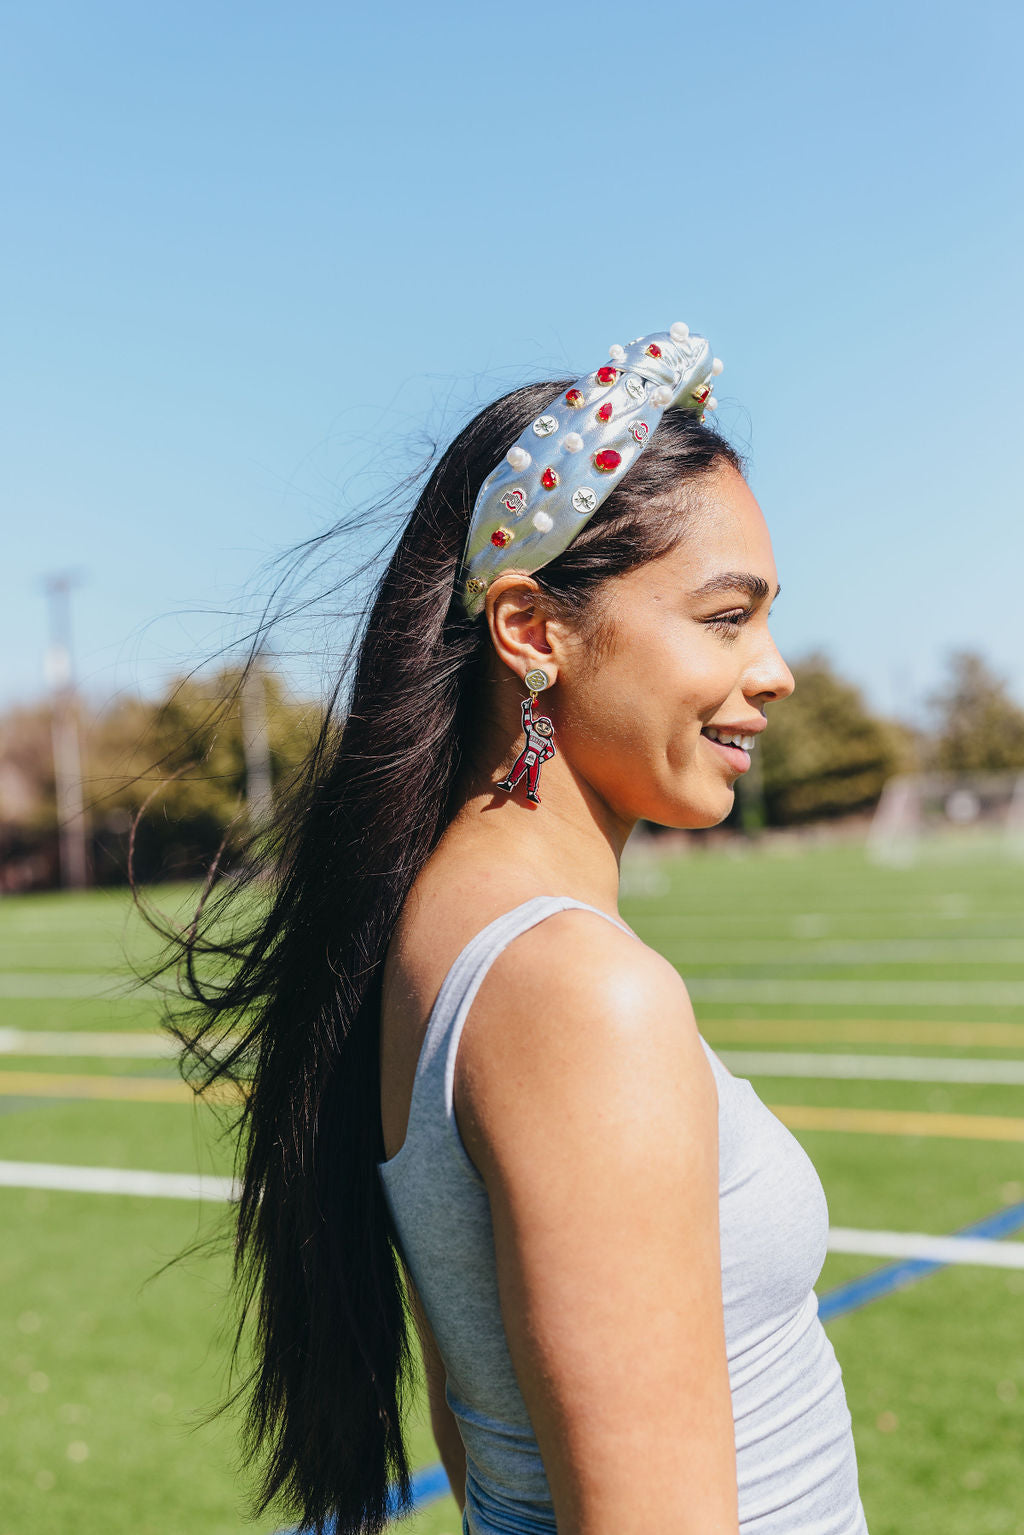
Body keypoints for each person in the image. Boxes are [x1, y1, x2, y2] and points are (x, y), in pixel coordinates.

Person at [169, 323, 870, 1535]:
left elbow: (475, 1425)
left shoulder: (437, 927)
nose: (774, 670)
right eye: (722, 618)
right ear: (531, 630)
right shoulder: (574, 990)